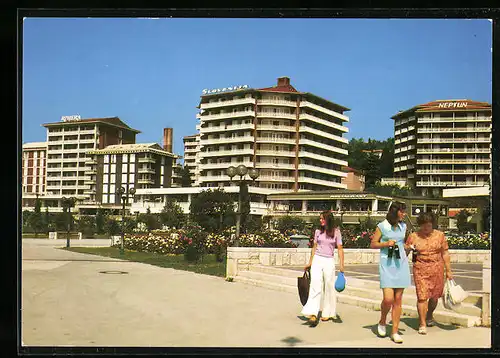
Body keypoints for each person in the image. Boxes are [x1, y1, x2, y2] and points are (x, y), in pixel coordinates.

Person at [405, 212, 453, 335]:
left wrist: (448, 270)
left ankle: (430, 314)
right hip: (420, 269)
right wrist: (408, 248)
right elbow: (405, 253)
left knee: (434, 297)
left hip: (437, 269)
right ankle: (422, 323)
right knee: (422, 297)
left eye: (429, 225)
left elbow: (445, 253)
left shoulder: (440, 235)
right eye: (424, 226)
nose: (426, 228)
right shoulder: (414, 236)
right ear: (420, 225)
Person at [370, 202, 411, 344]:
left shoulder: (403, 226)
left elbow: (402, 244)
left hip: (401, 264)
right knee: (388, 299)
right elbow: (373, 243)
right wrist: (385, 244)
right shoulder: (382, 226)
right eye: (402, 211)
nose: (404, 214)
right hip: (387, 264)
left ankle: (394, 331)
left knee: (398, 299)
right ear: (395, 212)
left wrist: (409, 247)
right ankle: (382, 321)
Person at [301, 210, 345, 327]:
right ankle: (312, 312)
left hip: (329, 260)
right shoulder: (317, 232)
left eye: (322, 219)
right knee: (315, 284)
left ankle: (328, 311)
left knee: (329, 286)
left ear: (328, 220)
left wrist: (342, 265)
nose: (320, 220)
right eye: (320, 219)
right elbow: (314, 247)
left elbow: (340, 248)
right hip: (317, 259)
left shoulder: (336, 232)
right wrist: (310, 262)